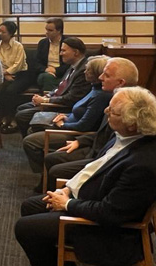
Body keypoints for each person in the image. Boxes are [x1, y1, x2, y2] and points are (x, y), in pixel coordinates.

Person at [15, 86, 156, 266]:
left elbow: (109, 213)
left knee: (25, 228)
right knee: (29, 206)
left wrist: (66, 203)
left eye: (112, 111)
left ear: (132, 123)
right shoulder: (125, 135)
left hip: (106, 230)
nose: (106, 112)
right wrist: (67, 189)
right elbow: (94, 168)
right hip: (89, 199)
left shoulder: (143, 164)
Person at [43, 57, 139, 191]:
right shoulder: (111, 97)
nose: (100, 78)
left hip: (102, 158)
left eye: (106, 75)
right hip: (94, 146)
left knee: (55, 168)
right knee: (51, 159)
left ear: (120, 82)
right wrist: (80, 142)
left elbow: (115, 146)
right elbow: (103, 132)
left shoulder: (128, 108)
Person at [22, 56, 112, 191]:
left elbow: (84, 125)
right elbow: (79, 110)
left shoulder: (100, 95)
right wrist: (66, 116)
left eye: (88, 70)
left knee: (30, 141)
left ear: (96, 74)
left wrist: (63, 125)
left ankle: (44, 174)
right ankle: (44, 174)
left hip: (74, 133)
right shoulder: (94, 89)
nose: (84, 72)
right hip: (68, 122)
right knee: (32, 128)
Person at [0, 18, 69, 133]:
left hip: (60, 72)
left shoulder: (67, 42)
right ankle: (5, 119)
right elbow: (37, 62)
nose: (47, 32)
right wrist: (46, 69)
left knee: (44, 78)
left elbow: (70, 63)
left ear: (59, 31)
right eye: (46, 30)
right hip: (45, 71)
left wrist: (56, 71)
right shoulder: (43, 43)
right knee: (5, 90)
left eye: (50, 30)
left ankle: (49, 105)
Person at [14, 37, 89, 137]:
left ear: (75, 52)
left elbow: (72, 98)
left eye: (63, 50)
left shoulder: (83, 71)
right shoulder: (73, 66)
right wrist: (47, 96)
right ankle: (32, 137)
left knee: (22, 116)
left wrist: (46, 101)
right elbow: (60, 87)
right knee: (21, 108)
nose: (60, 53)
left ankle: (32, 140)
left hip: (63, 108)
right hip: (55, 101)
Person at [0, 21, 28, 128]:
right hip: (3, 74)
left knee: (11, 90)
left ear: (10, 34)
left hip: (20, 74)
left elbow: (18, 64)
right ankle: (1, 118)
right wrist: (4, 74)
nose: (0, 33)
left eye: (3, 32)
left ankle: (10, 118)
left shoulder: (18, 46)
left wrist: (6, 73)